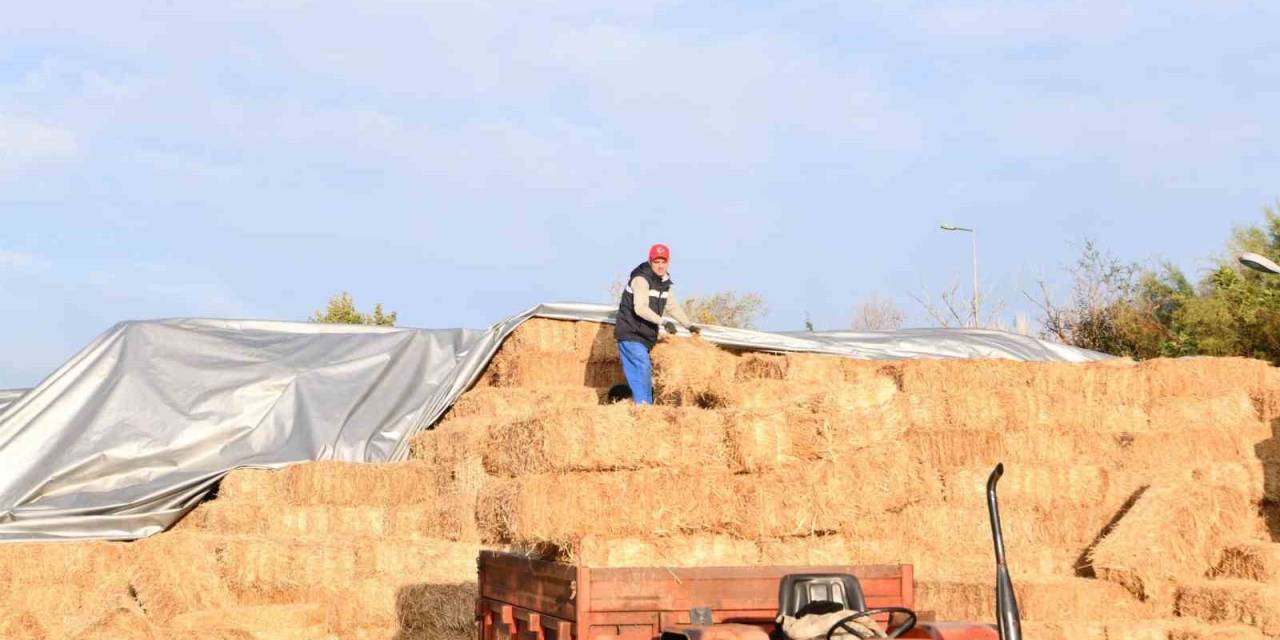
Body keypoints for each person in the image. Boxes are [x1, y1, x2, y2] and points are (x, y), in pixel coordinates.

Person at [614, 243, 699, 404]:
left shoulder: (664, 283)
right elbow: (640, 308)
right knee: (642, 367)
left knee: (646, 372)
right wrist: (663, 322)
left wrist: (689, 325)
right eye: (656, 262)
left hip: (646, 336)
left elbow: (673, 306)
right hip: (631, 333)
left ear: (668, 262)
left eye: (663, 262)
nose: (660, 266)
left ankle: (644, 407)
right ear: (650, 261)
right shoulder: (641, 279)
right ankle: (644, 410)